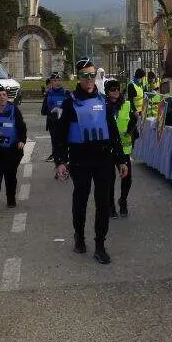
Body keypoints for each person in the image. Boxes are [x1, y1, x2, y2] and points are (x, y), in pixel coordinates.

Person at [53, 58, 129, 265]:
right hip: (80, 157)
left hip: (103, 156)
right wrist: (60, 161)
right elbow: (59, 135)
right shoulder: (69, 102)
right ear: (78, 78)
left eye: (92, 75)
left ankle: (100, 245)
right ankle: (79, 236)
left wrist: (121, 160)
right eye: (85, 76)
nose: (89, 80)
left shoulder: (104, 101)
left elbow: (113, 133)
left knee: (103, 202)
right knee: (81, 199)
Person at [0, 88, 26, 212]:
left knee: (10, 176)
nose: (2, 97)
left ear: (7, 97)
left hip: (12, 150)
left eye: (4, 95)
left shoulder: (14, 110)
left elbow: (21, 127)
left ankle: (11, 199)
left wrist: (21, 141)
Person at [105, 79, 138, 218]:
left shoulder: (127, 104)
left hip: (123, 149)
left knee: (127, 178)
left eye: (118, 89)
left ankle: (122, 200)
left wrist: (131, 129)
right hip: (107, 148)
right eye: (113, 89)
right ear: (107, 92)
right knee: (109, 179)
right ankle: (110, 205)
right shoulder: (103, 106)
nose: (116, 92)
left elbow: (134, 118)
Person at [41, 72, 69, 163]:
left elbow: (71, 110)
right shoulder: (48, 94)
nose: (57, 82)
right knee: (56, 146)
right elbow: (43, 111)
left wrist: (63, 111)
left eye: (59, 80)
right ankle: (58, 167)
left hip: (64, 124)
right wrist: (53, 111)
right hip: (53, 124)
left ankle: (65, 166)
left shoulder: (66, 93)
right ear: (51, 82)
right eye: (54, 81)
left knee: (64, 146)